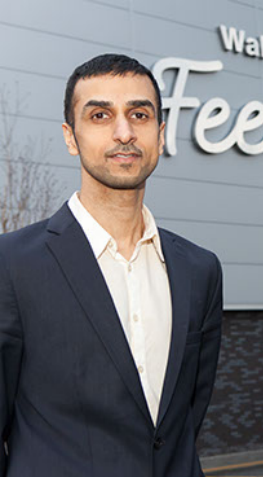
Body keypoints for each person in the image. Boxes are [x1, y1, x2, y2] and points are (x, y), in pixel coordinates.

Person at [0, 54, 223, 476]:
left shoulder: (200, 270)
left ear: (160, 134)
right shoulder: (11, 265)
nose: (124, 133)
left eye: (139, 114)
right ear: (70, 137)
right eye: (100, 115)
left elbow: (184, 422)